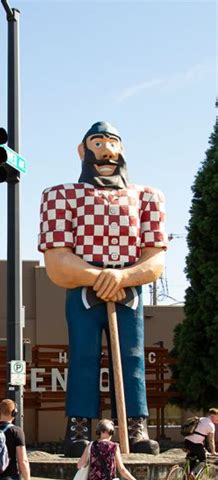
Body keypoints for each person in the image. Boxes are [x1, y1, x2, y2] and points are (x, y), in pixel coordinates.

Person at [38, 121, 168, 456]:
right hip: (83, 293)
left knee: (132, 359)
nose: (107, 152)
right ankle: (79, 428)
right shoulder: (60, 196)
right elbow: (57, 262)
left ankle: (135, 428)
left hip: (129, 294)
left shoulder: (148, 197)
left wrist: (123, 277)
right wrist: (100, 276)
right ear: (82, 152)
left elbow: (155, 261)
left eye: (112, 143)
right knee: (82, 356)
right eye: (97, 144)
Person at [183, 408, 218, 474]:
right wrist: (213, 452)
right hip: (196, 444)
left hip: (186, 442)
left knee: (192, 459)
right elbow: (211, 440)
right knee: (203, 461)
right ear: (213, 416)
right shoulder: (211, 425)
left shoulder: (201, 419)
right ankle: (193, 473)